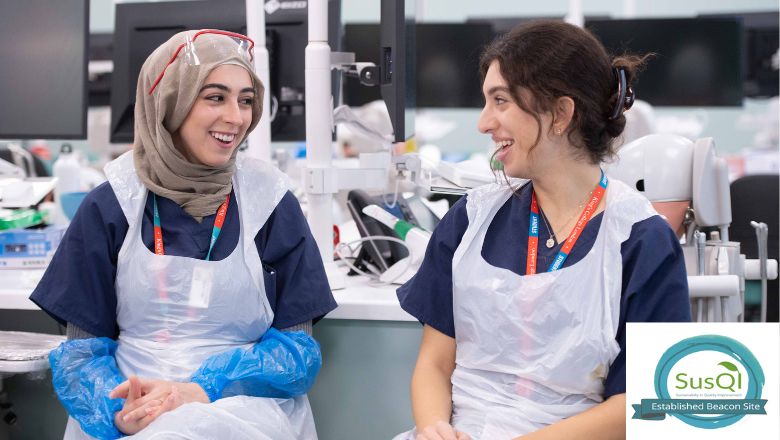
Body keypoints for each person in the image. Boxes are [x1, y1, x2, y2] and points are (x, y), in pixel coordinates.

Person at [30, 30, 337, 439]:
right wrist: (115, 411)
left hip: (240, 410)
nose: (237, 117)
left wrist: (202, 388)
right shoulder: (113, 203)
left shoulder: (270, 203)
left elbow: (296, 356)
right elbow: (81, 354)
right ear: (170, 103)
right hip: (131, 411)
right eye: (215, 97)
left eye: (246, 100)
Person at [395, 21, 691, 440]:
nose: (483, 123)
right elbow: (435, 363)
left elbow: (645, 402)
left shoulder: (639, 240)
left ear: (560, 114)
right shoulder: (471, 220)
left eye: (500, 101)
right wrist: (434, 428)